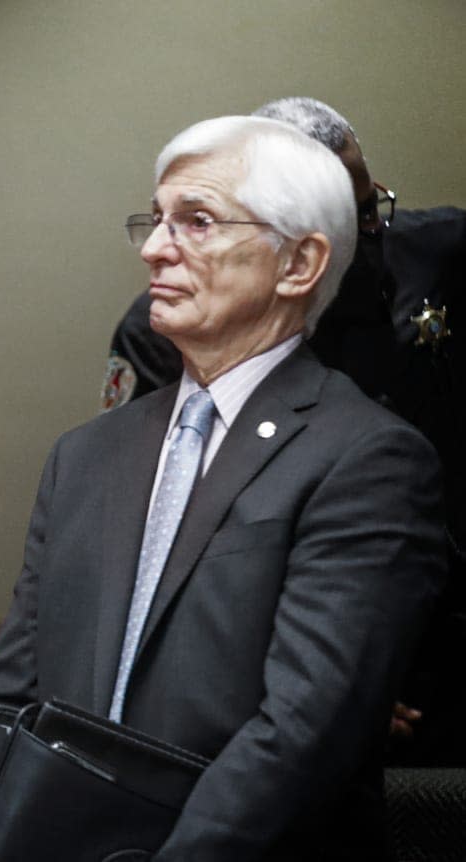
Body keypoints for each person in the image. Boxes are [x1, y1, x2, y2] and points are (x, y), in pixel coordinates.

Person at [0, 115, 445, 859]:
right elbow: (5, 700)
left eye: (196, 222)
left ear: (299, 265)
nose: (157, 248)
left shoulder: (367, 460)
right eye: (156, 221)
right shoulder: (85, 457)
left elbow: (306, 733)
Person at [104, 97, 466, 765]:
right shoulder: (178, 323)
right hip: (278, 635)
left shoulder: (435, 254)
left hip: (443, 622)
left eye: (367, 208)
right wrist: (336, 676)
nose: (363, 233)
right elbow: (177, 521)